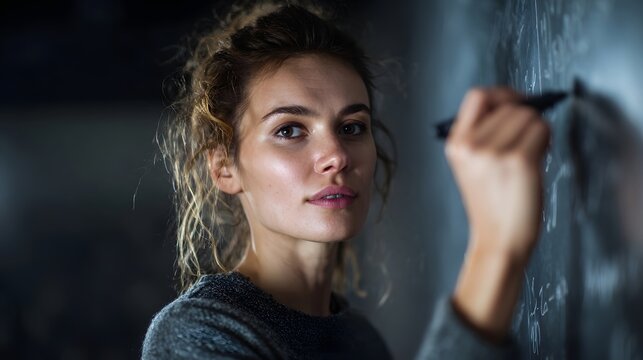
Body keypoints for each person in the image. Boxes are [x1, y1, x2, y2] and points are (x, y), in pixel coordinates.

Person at [142, 1, 551, 359]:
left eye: (352, 127)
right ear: (224, 168)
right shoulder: (202, 332)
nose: (336, 156)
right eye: (289, 130)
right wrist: (497, 249)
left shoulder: (359, 339)